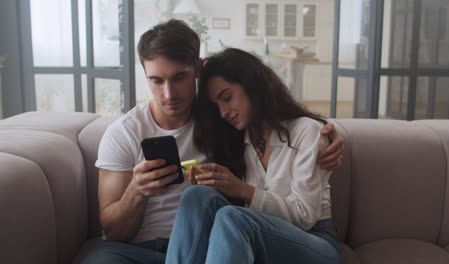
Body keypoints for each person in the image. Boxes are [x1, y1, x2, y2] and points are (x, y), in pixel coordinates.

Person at [81, 20, 343, 264]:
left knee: (230, 216)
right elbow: (112, 230)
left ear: (197, 68)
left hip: (284, 236)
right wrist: (136, 190)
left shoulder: (225, 123)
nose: (169, 94)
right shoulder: (229, 127)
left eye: (179, 77)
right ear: (145, 74)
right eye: (156, 80)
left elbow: (292, 126)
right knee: (198, 195)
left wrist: (333, 136)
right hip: (162, 245)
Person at [166, 48, 341, 264]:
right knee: (197, 195)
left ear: (252, 85)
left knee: (232, 217)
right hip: (261, 235)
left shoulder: (307, 132)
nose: (223, 112)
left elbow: (305, 217)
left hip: (315, 242)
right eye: (217, 106)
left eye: (227, 98)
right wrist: (218, 185)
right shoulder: (237, 142)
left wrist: (243, 190)